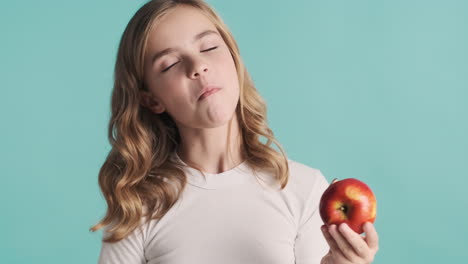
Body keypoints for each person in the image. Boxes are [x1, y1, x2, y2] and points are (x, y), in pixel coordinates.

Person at [89, 0, 379, 263]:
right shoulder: (136, 208)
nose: (198, 66)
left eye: (208, 47)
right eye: (171, 64)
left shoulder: (305, 189)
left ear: (233, 58)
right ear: (152, 99)